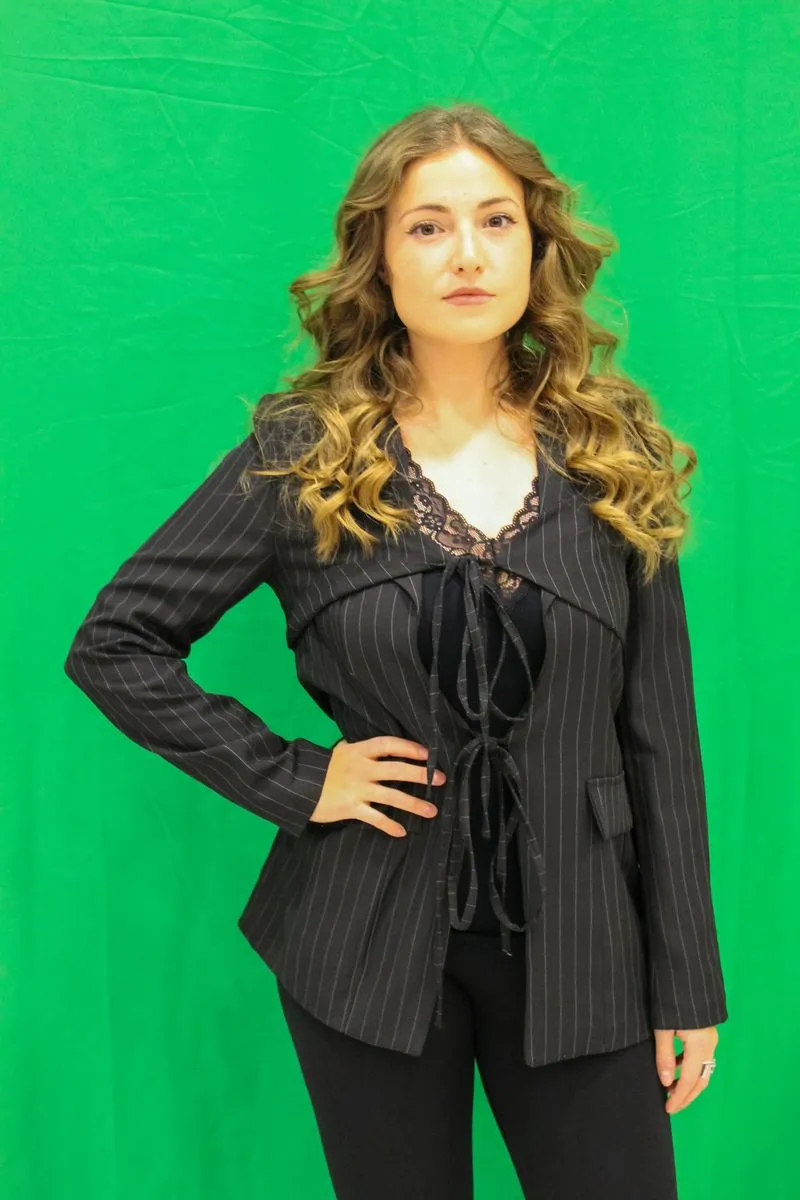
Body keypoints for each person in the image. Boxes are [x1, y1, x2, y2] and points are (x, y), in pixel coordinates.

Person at [64, 103, 728, 1199]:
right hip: (361, 950)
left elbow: (661, 737)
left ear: (536, 247)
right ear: (378, 257)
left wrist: (687, 979)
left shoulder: (616, 456)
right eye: (427, 226)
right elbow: (117, 643)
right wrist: (301, 777)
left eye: (496, 221)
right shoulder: (301, 454)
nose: (466, 253)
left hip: (589, 955)